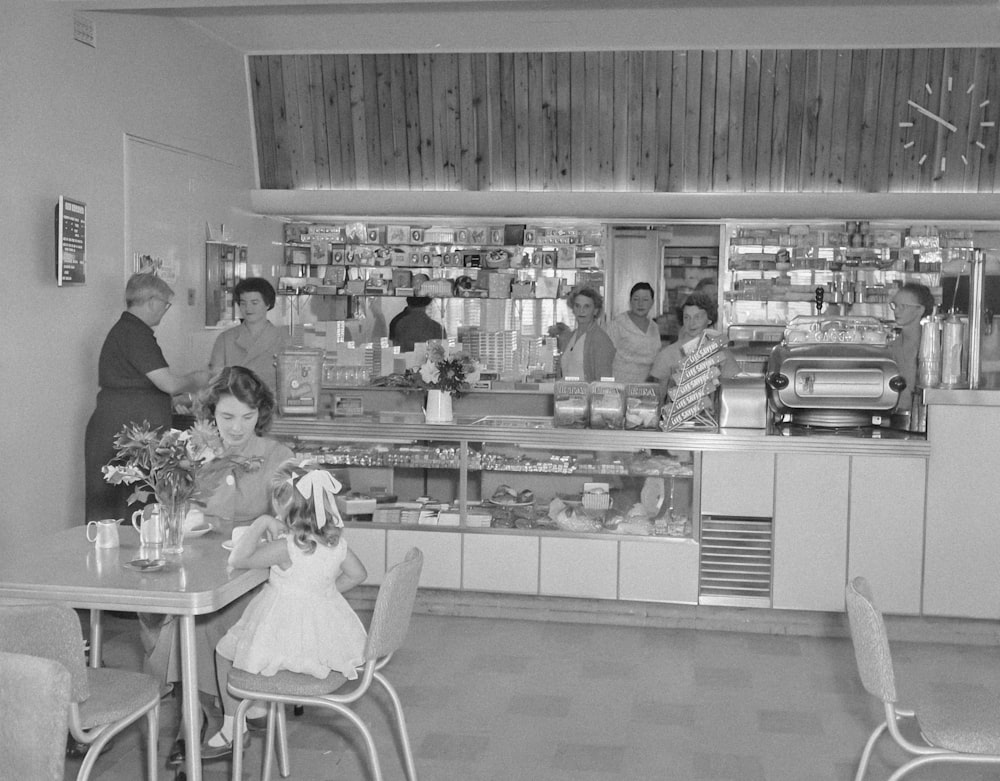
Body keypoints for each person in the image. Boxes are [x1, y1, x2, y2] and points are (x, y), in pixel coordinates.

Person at [142, 366, 294, 766]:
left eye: (247, 417)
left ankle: (206, 721)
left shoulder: (278, 456)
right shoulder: (197, 455)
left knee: (199, 623)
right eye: (227, 418)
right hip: (205, 566)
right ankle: (222, 715)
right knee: (173, 613)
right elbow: (183, 511)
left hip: (260, 578)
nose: (238, 428)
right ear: (211, 416)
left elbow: (290, 528)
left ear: (260, 414)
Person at [202, 458, 368, 756]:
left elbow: (237, 559)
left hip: (284, 645)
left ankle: (232, 727)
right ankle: (253, 713)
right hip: (321, 647)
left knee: (225, 651)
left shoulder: (286, 547)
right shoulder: (337, 543)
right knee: (243, 646)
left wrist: (261, 523)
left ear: (282, 507)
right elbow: (358, 575)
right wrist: (321, 594)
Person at [84, 273, 210, 523]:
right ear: (152, 301)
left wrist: (172, 403)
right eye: (165, 304)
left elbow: (139, 385)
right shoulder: (133, 333)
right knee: (127, 506)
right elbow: (169, 382)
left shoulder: (130, 331)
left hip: (128, 427)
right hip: (124, 434)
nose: (165, 310)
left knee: (133, 504)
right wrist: (198, 379)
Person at [209, 277, 289, 392]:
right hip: (234, 406)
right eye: (243, 303)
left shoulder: (284, 340)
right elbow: (214, 381)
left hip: (271, 405)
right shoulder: (225, 339)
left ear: (268, 304)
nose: (248, 308)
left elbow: (289, 384)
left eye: (254, 303)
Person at [650, 292, 739, 393]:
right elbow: (657, 396)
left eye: (697, 317)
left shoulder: (721, 353)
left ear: (710, 319)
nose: (691, 323)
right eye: (687, 317)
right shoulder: (666, 355)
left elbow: (733, 390)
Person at [887, 282, 936, 418]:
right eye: (895, 305)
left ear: (920, 310)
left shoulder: (932, 347)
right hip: (895, 417)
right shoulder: (891, 348)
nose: (896, 311)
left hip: (927, 418)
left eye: (903, 306)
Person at [558, 287, 616, 381]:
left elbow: (604, 382)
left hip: (587, 395)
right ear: (573, 309)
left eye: (587, 306)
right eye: (577, 306)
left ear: (595, 310)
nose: (581, 311)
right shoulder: (569, 337)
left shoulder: (601, 340)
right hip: (565, 393)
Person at [608, 282, 661, 382]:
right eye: (636, 299)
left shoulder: (654, 327)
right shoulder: (617, 324)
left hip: (645, 387)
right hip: (619, 385)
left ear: (652, 302)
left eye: (645, 300)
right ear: (630, 301)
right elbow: (605, 357)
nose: (640, 304)